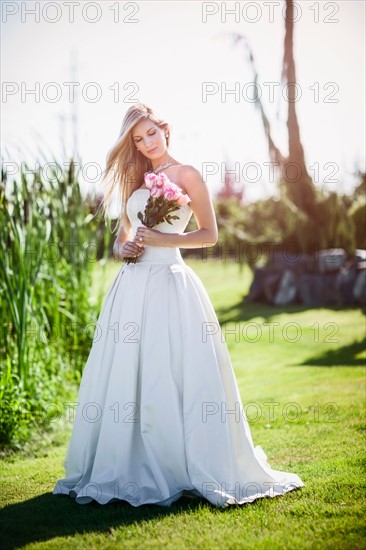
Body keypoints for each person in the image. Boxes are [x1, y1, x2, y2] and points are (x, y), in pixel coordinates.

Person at [53, 103, 304, 508]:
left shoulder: (187, 174)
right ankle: (130, 462)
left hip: (172, 282)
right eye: (137, 139)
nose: (146, 143)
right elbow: (121, 239)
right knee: (129, 373)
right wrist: (127, 247)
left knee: (173, 369)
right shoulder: (136, 180)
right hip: (132, 287)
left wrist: (163, 241)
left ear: (164, 129)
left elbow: (209, 235)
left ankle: (182, 462)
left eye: (151, 133)